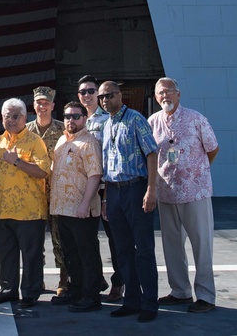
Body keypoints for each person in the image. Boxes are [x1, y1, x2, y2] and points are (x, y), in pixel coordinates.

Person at [148, 77, 220, 313]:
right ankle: (180, 292)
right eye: (160, 93)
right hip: (166, 193)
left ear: (179, 94)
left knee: (202, 245)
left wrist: (194, 172)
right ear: (156, 97)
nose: (165, 96)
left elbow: (212, 149)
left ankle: (206, 296)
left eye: (169, 91)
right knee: (172, 246)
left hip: (195, 192)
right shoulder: (153, 122)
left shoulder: (195, 119)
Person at [98, 80, 159, 323]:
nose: (105, 100)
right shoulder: (107, 124)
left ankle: (150, 303)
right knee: (122, 250)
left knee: (143, 249)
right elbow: (106, 166)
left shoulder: (136, 119)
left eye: (109, 96)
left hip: (136, 188)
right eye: (102, 97)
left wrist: (151, 190)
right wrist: (104, 199)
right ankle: (131, 300)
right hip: (113, 192)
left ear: (120, 95)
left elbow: (152, 153)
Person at [0, 98, 51, 308]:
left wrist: (17, 161)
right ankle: (8, 290)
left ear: (25, 118)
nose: (11, 120)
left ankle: (31, 292)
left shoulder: (34, 141)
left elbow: (43, 171)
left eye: (16, 116)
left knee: (31, 255)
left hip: (29, 212)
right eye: (7, 116)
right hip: (3, 210)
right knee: (5, 254)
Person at [49, 100, 104, 313]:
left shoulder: (89, 143)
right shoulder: (62, 140)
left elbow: (95, 175)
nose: (71, 120)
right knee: (70, 253)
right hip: (62, 209)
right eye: (67, 116)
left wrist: (84, 204)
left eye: (76, 116)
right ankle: (76, 289)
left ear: (84, 119)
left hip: (82, 211)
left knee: (87, 253)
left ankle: (91, 296)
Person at [78, 74, 123, 301]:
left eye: (91, 91)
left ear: (99, 94)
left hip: (106, 187)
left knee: (115, 237)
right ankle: (96, 278)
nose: (87, 95)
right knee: (87, 238)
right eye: (82, 92)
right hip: (85, 188)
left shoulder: (108, 120)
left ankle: (119, 281)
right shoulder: (78, 120)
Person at [26, 86, 67, 297]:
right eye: (38, 103)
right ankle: (37, 280)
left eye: (46, 103)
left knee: (60, 238)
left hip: (57, 193)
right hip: (32, 194)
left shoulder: (63, 129)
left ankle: (64, 280)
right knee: (34, 240)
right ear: (34, 106)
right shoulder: (25, 131)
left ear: (52, 105)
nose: (42, 106)